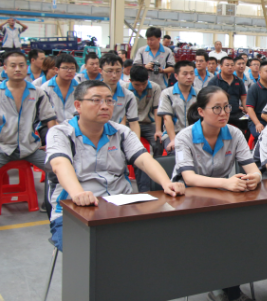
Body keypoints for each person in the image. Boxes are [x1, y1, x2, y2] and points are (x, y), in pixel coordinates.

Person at [46, 80, 185, 252]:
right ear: (78, 105)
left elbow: (144, 159)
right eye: (96, 100)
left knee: (156, 241)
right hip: (75, 210)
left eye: (109, 100)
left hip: (120, 207)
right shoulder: (61, 133)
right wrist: (78, 193)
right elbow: (60, 163)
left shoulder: (121, 132)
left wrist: (166, 183)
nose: (105, 106)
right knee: (84, 252)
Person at [171, 85, 260, 301]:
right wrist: (226, 183)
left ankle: (230, 287)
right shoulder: (185, 137)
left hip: (222, 196)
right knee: (215, 241)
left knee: (236, 237)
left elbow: (253, 169)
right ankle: (216, 284)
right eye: (217, 108)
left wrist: (255, 177)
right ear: (201, 111)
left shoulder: (234, 133)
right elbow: (190, 178)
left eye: (227, 107)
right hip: (189, 199)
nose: (224, 113)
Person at [0, 50, 56, 174]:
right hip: (3, 148)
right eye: (13, 66)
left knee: (58, 169)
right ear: (5, 68)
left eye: (21, 65)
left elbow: (50, 118)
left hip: (30, 149)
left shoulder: (37, 92)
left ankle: (51, 188)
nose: (17, 69)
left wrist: (52, 144)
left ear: (26, 67)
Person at [128, 66, 163, 190]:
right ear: (130, 81)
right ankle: (142, 186)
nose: (141, 87)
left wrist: (158, 130)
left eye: (143, 84)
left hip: (148, 123)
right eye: (137, 85)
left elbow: (157, 110)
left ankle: (157, 174)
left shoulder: (155, 88)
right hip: (130, 124)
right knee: (137, 150)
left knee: (159, 142)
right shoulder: (125, 89)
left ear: (148, 79)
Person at [158, 60, 197, 154]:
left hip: (194, 134)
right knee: (177, 152)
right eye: (185, 74)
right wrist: (173, 140)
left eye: (192, 73)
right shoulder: (167, 93)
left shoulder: (199, 93)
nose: (189, 77)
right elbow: (167, 118)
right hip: (173, 134)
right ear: (176, 76)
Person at [99, 53, 139, 135]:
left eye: (118, 71)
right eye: (110, 71)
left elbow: (134, 123)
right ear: (100, 71)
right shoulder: (90, 93)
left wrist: (136, 142)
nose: (114, 75)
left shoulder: (128, 96)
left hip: (117, 134)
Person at [208, 57, 249, 135]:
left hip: (236, 112)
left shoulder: (238, 81)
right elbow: (209, 100)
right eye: (227, 65)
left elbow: (243, 98)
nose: (230, 67)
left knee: (248, 120)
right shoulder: (214, 81)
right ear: (221, 66)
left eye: (232, 65)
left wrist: (247, 111)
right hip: (220, 113)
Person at [40, 53, 80, 123]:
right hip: (51, 125)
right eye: (65, 68)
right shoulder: (45, 88)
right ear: (56, 69)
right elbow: (45, 114)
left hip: (75, 125)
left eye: (72, 68)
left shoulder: (80, 88)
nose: (69, 71)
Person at [245, 61, 267, 142]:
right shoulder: (254, 89)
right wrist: (257, 123)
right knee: (263, 136)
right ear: (260, 72)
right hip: (257, 120)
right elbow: (250, 109)